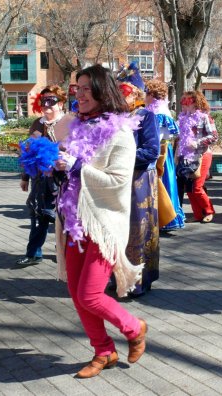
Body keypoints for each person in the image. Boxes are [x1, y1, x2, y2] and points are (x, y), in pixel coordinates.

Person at [53, 65, 147, 378]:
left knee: (90, 294)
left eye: (85, 88)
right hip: (74, 221)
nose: (78, 94)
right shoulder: (76, 126)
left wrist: (79, 167)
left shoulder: (120, 133)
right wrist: (57, 166)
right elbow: (62, 151)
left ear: (101, 90)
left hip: (103, 224)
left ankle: (134, 328)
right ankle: (103, 351)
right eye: (76, 88)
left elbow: (118, 180)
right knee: (76, 292)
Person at [117, 62, 160, 297]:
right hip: (119, 181)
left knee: (138, 230)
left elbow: (152, 151)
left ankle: (137, 281)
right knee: (119, 229)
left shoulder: (146, 116)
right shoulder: (114, 118)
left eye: (123, 92)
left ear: (135, 93)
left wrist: (121, 158)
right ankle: (119, 277)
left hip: (139, 181)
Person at [16, 85, 66, 266]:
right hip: (39, 179)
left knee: (61, 218)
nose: (46, 105)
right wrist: (24, 177)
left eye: (51, 101)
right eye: (43, 101)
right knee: (37, 215)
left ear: (60, 104)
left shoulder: (67, 123)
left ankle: (64, 253)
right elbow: (28, 152)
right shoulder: (37, 123)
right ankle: (34, 253)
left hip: (62, 180)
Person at [144, 79, 185, 231]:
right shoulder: (157, 110)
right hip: (161, 150)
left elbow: (158, 136)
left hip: (159, 152)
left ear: (152, 95)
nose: (144, 96)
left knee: (161, 185)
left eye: (147, 93)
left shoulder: (158, 112)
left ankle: (165, 217)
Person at [176, 91, 217, 223]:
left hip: (202, 155)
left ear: (195, 102)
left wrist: (197, 142)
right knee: (189, 189)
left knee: (197, 187)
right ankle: (198, 214)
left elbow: (214, 136)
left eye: (188, 101)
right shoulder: (182, 118)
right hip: (187, 157)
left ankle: (209, 211)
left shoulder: (204, 117)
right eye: (183, 101)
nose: (184, 104)